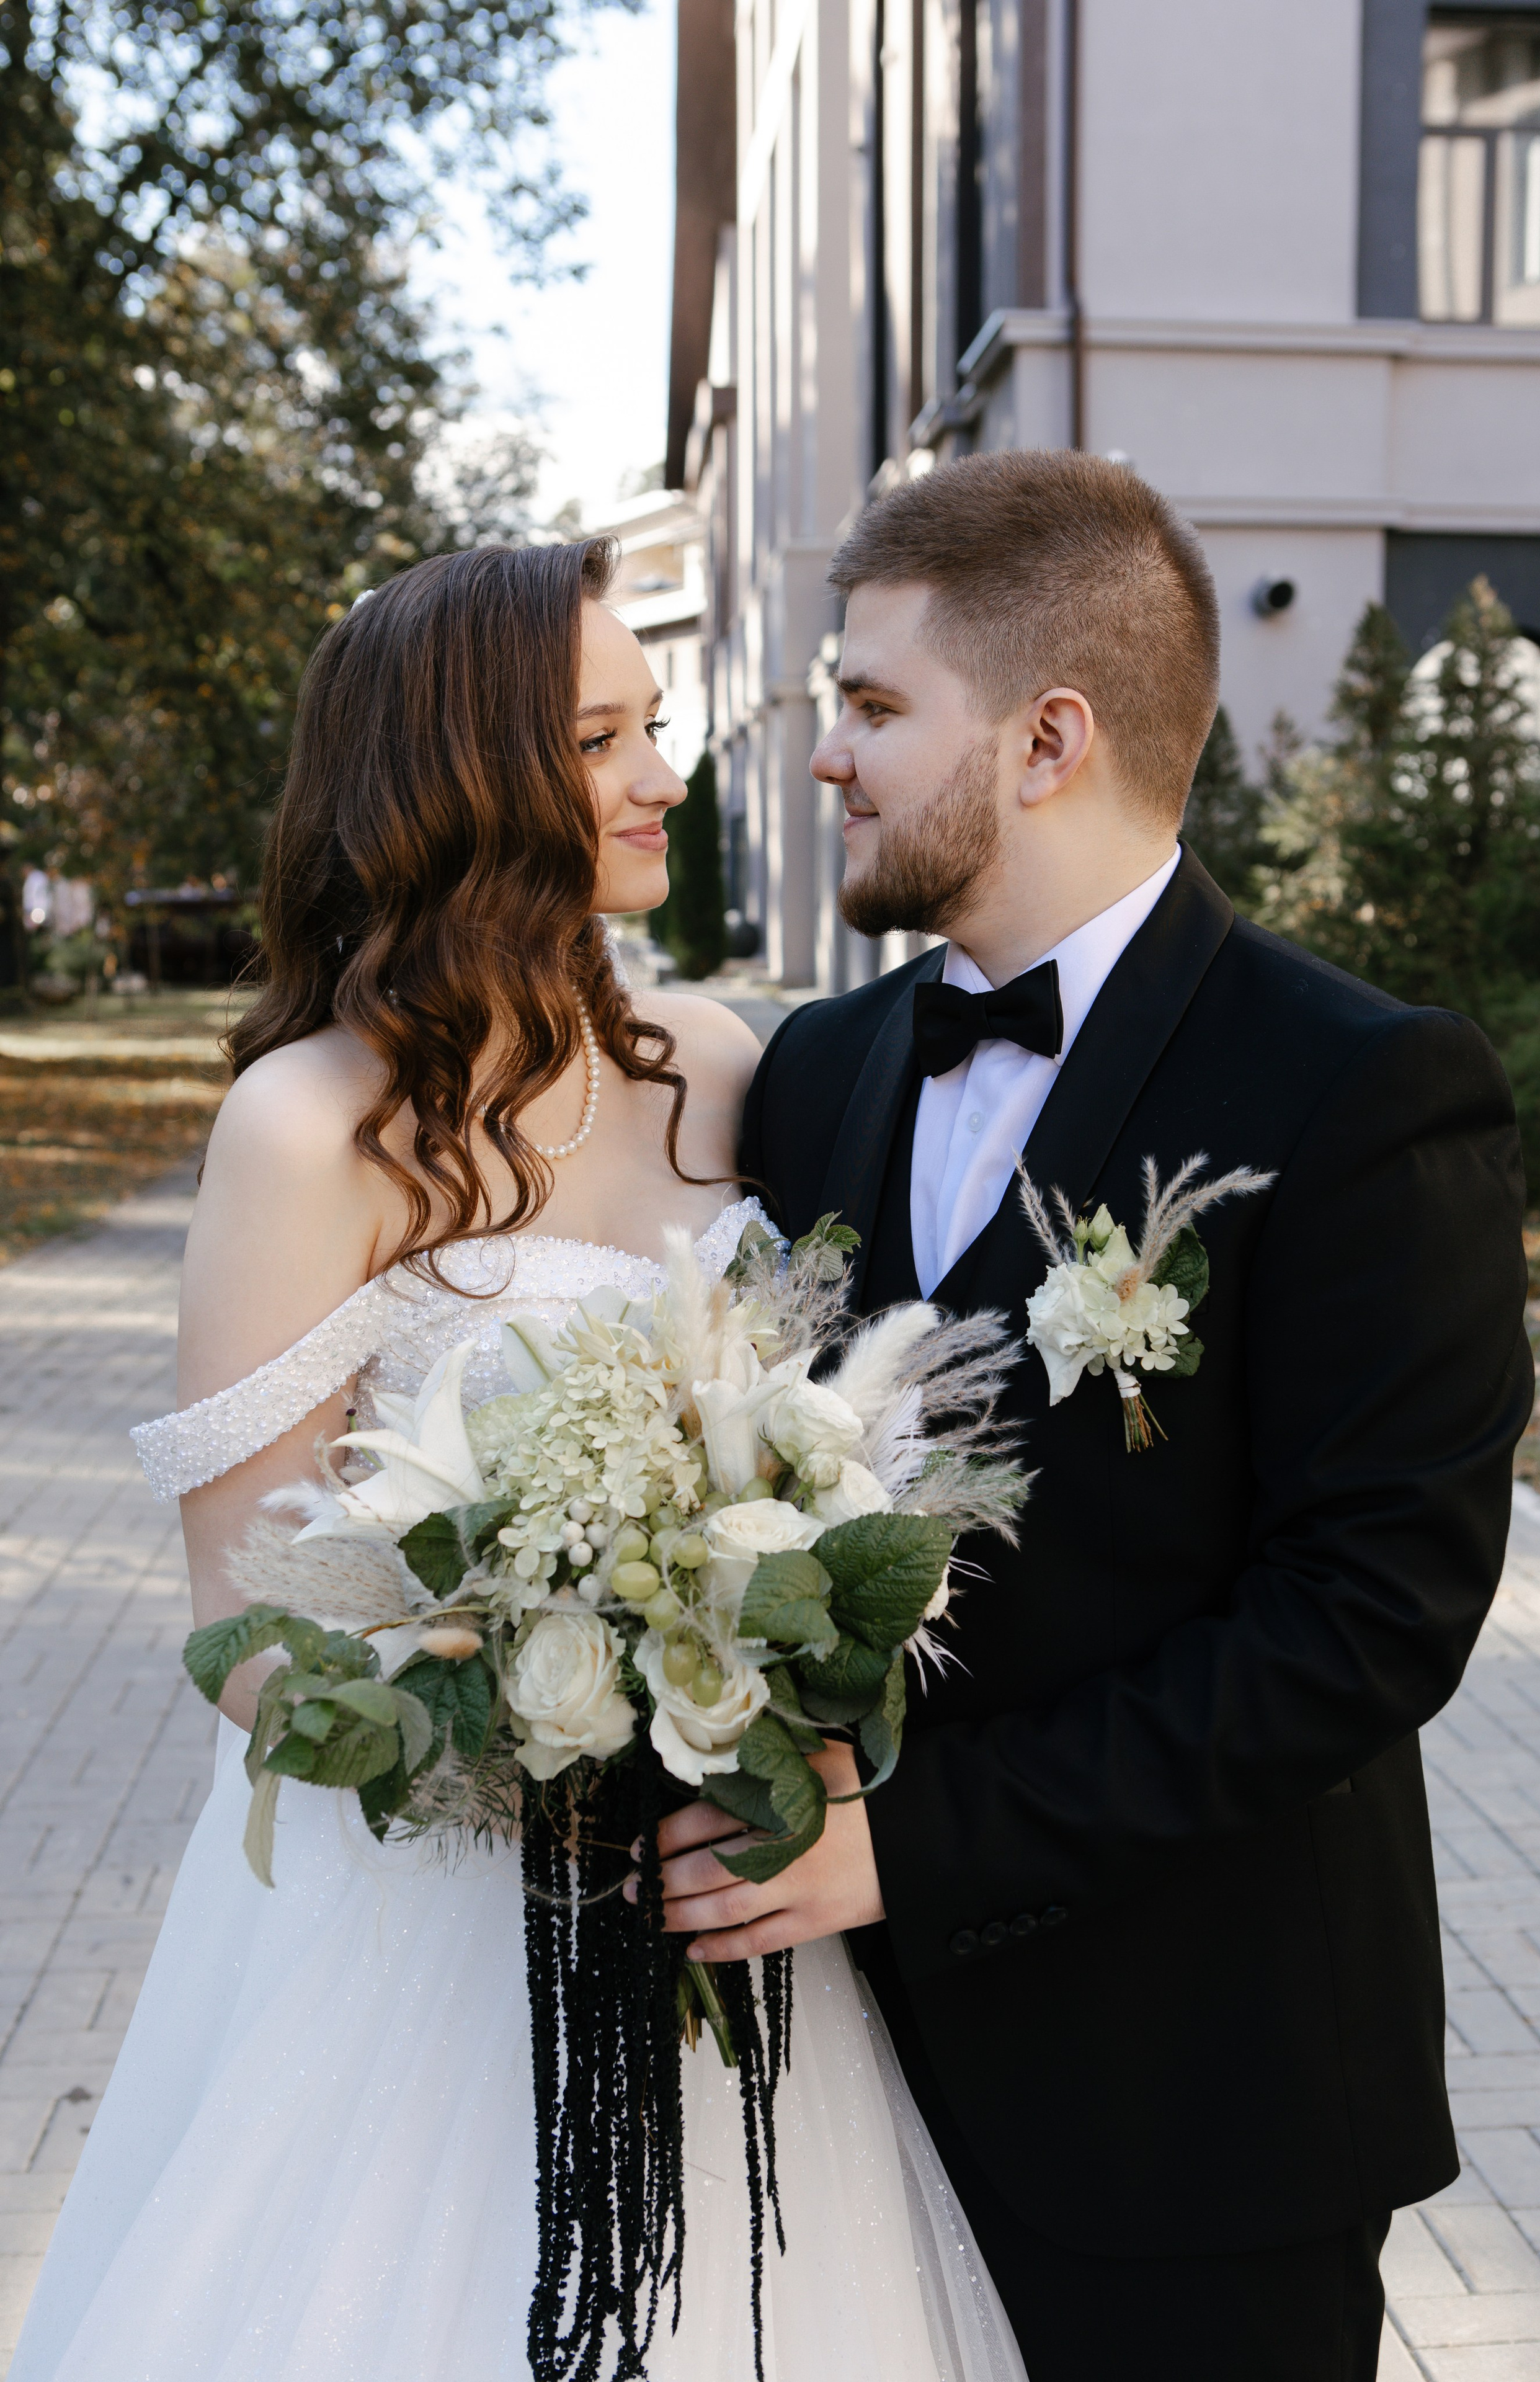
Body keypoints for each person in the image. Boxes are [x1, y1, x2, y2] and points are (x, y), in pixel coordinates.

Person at [8, 541, 1027, 2382]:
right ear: (464, 778)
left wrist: (753, 1671)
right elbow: (241, 1623)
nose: (665, 777)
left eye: (658, 727)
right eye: (602, 739)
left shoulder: (716, 1062)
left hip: (725, 1896)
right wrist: (534, 1739)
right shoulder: (308, 1126)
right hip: (429, 1928)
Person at [700, 450, 1533, 2382]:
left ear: (1049, 736)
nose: (829, 755)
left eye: (875, 706)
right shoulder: (815, 1075)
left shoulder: (1363, 1088)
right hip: (834, 2081)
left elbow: (1369, 1621)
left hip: (1199, 2104)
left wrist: (915, 1838)